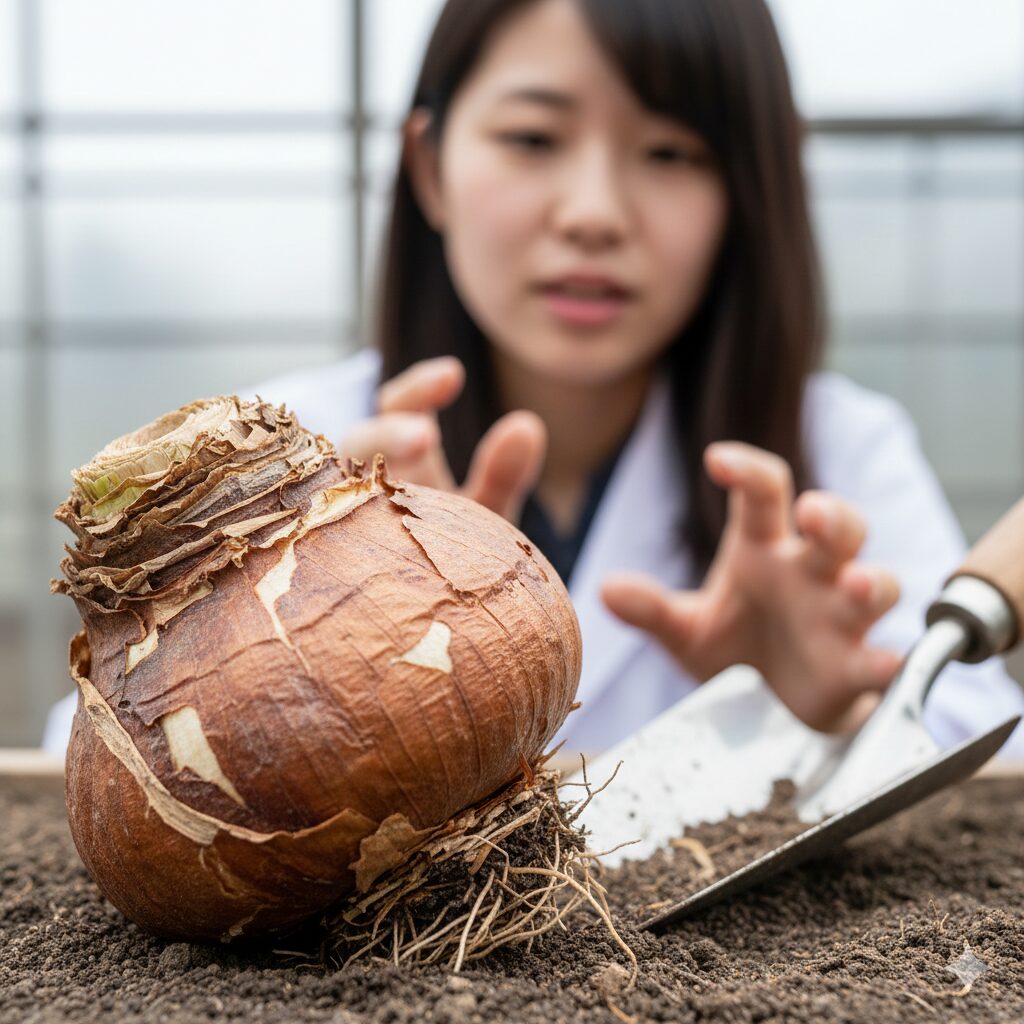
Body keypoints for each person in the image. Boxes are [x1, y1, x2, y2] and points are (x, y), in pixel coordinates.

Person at [43, 0, 1024, 758]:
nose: (594, 211)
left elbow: (983, 742)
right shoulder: (288, 454)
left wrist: (821, 714)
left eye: (671, 151)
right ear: (429, 168)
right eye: (532, 139)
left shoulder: (836, 454)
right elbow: (80, 759)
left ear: (744, 193)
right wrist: (293, 643)